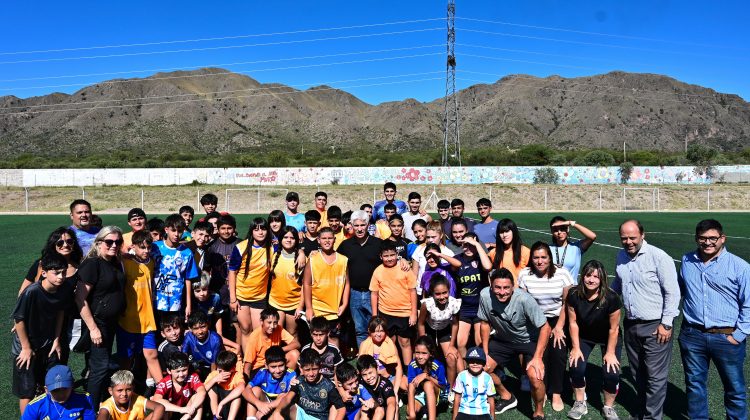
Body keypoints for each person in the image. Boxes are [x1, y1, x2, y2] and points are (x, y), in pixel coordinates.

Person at [679, 219, 750, 420]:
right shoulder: (687, 261)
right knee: (694, 386)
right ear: (696, 239)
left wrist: (739, 335)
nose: (708, 242)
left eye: (713, 238)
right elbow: (681, 290)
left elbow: (749, 303)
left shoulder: (740, 266)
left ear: (722, 238)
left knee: (734, 389)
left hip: (726, 337)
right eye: (703, 238)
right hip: (693, 335)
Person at [612, 220, 680, 420]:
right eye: (624, 238)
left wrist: (666, 324)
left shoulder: (659, 257)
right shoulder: (621, 256)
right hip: (631, 324)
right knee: (637, 374)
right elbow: (618, 283)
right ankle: (641, 411)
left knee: (655, 378)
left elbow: (673, 293)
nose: (628, 242)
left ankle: (651, 417)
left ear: (642, 235)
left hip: (655, 326)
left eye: (632, 237)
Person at [479, 268, 550, 418]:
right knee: (479, 368)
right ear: (491, 286)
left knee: (535, 377)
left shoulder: (524, 299)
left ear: (513, 287)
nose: (502, 292)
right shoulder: (485, 295)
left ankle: (538, 412)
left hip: (529, 341)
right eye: (497, 287)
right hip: (503, 340)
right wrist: (484, 352)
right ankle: (507, 396)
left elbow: (545, 328)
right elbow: (485, 324)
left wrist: (537, 358)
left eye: (506, 287)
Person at [13, 253, 75, 414]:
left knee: (50, 382)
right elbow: (18, 320)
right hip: (27, 346)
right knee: (27, 390)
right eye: (56, 272)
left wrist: (56, 339)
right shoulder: (32, 292)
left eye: (63, 272)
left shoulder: (64, 289)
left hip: (48, 345)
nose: (61, 277)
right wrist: (26, 348)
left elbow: (61, 311)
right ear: (44, 273)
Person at [517, 241, 575, 411]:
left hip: (558, 319)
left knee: (558, 353)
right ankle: (544, 387)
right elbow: (523, 302)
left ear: (550, 258)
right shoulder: (525, 275)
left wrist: (558, 327)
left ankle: (556, 391)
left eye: (543, 257)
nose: (540, 261)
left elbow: (567, 303)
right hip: (535, 321)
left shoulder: (562, 274)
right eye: (536, 257)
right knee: (540, 354)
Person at [75, 226, 126, 409]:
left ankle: (98, 401)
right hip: (98, 323)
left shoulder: (114, 261)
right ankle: (91, 410)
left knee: (100, 366)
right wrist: (93, 328)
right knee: (100, 368)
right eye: (109, 242)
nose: (114, 245)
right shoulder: (92, 263)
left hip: (111, 323)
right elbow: (80, 297)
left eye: (118, 242)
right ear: (99, 243)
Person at [567, 260, 623, 420]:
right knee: (576, 366)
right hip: (585, 336)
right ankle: (580, 403)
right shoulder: (573, 294)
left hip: (608, 337)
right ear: (583, 276)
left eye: (596, 277)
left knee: (611, 374)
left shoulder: (611, 298)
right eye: (588, 275)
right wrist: (576, 348)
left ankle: (608, 407)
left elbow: (614, 329)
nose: (591, 280)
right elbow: (573, 323)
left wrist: (610, 352)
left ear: (602, 279)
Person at [117, 230, 161, 388]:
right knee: (126, 358)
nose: (146, 250)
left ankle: (163, 391)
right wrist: (124, 254)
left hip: (147, 319)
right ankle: (123, 388)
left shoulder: (151, 262)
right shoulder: (125, 263)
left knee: (152, 354)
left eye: (148, 247)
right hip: (128, 319)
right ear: (133, 246)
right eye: (142, 247)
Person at [337, 210, 384, 347]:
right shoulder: (345, 245)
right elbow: (334, 260)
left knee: (376, 328)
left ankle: (377, 355)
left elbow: (391, 259)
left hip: (374, 294)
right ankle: (364, 356)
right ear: (351, 225)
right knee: (359, 330)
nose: (359, 229)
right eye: (356, 225)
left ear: (368, 224)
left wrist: (403, 262)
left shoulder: (378, 244)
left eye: (362, 225)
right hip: (354, 293)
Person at [228, 217, 275, 347]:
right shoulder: (240, 248)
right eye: (256, 229)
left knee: (259, 331)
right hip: (241, 296)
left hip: (259, 297)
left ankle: (259, 362)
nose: (260, 232)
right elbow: (232, 272)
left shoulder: (272, 248)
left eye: (263, 229)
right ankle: (248, 361)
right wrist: (233, 298)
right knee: (245, 329)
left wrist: (299, 252)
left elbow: (291, 247)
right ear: (251, 231)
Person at [370, 240, 418, 368]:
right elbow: (374, 294)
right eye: (386, 256)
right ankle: (394, 369)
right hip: (386, 313)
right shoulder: (378, 271)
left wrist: (413, 313)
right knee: (390, 342)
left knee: (405, 341)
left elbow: (413, 291)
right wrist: (375, 316)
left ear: (397, 254)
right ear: (381, 257)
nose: (389, 258)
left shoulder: (405, 269)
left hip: (405, 312)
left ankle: (408, 371)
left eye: (392, 255)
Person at [303, 227, 350, 347]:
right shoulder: (313, 260)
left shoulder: (343, 260)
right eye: (324, 238)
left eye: (330, 238)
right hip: (318, 309)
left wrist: (344, 303)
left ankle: (334, 365)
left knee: (334, 340)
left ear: (334, 240)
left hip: (335, 311)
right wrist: (309, 308)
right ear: (318, 240)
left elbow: (347, 283)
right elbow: (307, 284)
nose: (327, 241)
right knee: (318, 341)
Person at [271, 348, 345, 420]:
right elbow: (287, 398)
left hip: (319, 417)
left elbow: (341, 408)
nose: (311, 374)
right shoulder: (299, 380)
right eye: (307, 370)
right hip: (301, 414)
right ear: (301, 368)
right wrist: (277, 412)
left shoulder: (328, 385)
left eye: (314, 369)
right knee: (283, 405)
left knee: (335, 407)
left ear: (320, 367)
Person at [417, 274, 463, 386]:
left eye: (445, 293)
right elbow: (421, 323)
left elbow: (455, 324)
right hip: (429, 330)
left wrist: (452, 345)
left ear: (449, 291)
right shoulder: (427, 305)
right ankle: (426, 383)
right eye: (437, 294)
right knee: (425, 356)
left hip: (444, 330)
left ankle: (451, 388)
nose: (442, 297)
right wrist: (424, 343)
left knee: (451, 358)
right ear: (432, 294)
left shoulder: (454, 303)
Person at [152, 214, 200, 319]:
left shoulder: (187, 253)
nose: (176, 234)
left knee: (173, 332)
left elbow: (188, 279)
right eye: (173, 230)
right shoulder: (155, 247)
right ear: (166, 229)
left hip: (175, 302)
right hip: (155, 300)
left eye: (180, 231)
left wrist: (188, 305)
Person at [453, 233, 492, 358]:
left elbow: (488, 267)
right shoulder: (457, 259)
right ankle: (465, 369)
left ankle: (481, 368)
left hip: (480, 308)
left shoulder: (481, 260)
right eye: (465, 245)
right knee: (460, 343)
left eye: (471, 245)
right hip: (464, 308)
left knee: (479, 342)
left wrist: (476, 244)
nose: (468, 249)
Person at [21, 365, 95, 420]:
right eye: (55, 390)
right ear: (46, 390)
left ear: (72, 385)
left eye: (65, 388)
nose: (61, 394)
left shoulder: (85, 399)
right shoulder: (34, 407)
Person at [269, 226, 305, 338]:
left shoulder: (302, 259)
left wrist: (300, 306)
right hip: (275, 302)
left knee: (292, 334)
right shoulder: (273, 254)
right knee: (275, 333)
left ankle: (293, 355)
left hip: (293, 304)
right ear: (280, 239)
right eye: (285, 237)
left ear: (296, 240)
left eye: (292, 238)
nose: (288, 240)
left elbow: (305, 286)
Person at [242, 307, 300, 376]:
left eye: (275, 323)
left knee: (295, 354)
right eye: (269, 322)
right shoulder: (254, 337)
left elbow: (297, 344)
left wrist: (279, 350)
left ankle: (285, 381)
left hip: (275, 363)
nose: (272, 326)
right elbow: (247, 365)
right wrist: (247, 382)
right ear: (261, 321)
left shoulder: (278, 329)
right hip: (260, 368)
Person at [244, 345, 297, 419]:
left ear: (285, 362)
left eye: (281, 365)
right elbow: (245, 391)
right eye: (273, 367)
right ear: (266, 365)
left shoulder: (291, 374)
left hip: (281, 408)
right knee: (254, 390)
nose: (278, 371)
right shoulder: (263, 373)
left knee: (282, 395)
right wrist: (259, 404)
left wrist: (267, 407)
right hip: (265, 403)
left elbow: (288, 397)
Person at [152, 352, 206, 420]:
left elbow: (202, 392)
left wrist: (190, 411)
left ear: (188, 367)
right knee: (163, 404)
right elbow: (156, 399)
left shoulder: (192, 377)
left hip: (188, 410)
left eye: (184, 370)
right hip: (172, 412)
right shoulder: (165, 382)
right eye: (177, 371)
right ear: (169, 371)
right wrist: (181, 409)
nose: (181, 374)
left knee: (196, 398)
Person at [406, 336, 449, 420]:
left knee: (428, 384)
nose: (420, 356)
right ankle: (423, 409)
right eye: (417, 352)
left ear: (431, 353)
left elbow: (443, 386)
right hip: (421, 393)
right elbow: (411, 386)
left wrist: (427, 376)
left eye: (424, 353)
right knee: (410, 411)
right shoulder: (412, 364)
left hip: (439, 394)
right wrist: (412, 414)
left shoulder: (438, 365)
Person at [358, 316, 403, 393]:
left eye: (381, 331)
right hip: (371, 379)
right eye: (375, 331)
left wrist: (395, 391)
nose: (378, 334)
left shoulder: (390, 344)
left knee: (405, 383)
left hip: (389, 378)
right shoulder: (364, 344)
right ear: (369, 331)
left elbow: (398, 368)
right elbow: (360, 367)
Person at [99, 370, 165, 420]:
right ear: (110, 391)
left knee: (163, 413)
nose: (124, 394)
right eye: (120, 390)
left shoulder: (136, 399)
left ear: (133, 388)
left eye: (128, 390)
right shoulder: (106, 408)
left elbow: (160, 407)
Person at [411, 221, 456, 296]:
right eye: (428, 237)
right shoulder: (419, 249)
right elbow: (414, 275)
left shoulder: (448, 253)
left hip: (441, 295)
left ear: (441, 235)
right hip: (421, 292)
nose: (430, 240)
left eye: (433, 237)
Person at [451, 347, 496, 420]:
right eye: (472, 361)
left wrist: (493, 418)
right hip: (464, 411)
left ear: (483, 363)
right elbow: (457, 397)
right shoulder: (461, 376)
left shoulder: (487, 378)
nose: (475, 364)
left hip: (482, 412)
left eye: (478, 362)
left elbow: (491, 399)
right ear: (467, 362)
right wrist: (454, 417)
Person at [204, 351, 245, 420]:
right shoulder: (214, 375)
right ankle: (215, 417)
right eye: (220, 371)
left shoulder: (237, 375)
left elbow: (241, 387)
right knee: (211, 388)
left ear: (233, 369)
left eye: (225, 371)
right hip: (218, 410)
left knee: (237, 397)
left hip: (230, 409)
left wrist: (222, 403)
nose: (222, 374)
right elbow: (201, 391)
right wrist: (214, 380)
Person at [182, 311, 223, 378]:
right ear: (190, 329)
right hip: (196, 366)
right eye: (196, 328)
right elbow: (184, 356)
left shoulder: (216, 339)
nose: (200, 331)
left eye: (203, 327)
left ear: (208, 324)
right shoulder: (188, 337)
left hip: (212, 367)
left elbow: (214, 364)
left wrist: (211, 379)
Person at [488, 218, 530, 282]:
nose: (504, 235)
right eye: (501, 232)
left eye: (507, 231)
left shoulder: (525, 251)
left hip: (519, 290)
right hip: (501, 290)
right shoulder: (493, 252)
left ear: (514, 232)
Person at [357, 355, 397, 420]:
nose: (368, 377)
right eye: (364, 374)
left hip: (385, 413)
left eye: (370, 372)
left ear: (377, 368)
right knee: (364, 408)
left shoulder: (385, 384)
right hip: (371, 411)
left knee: (392, 407)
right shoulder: (360, 381)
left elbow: (391, 403)